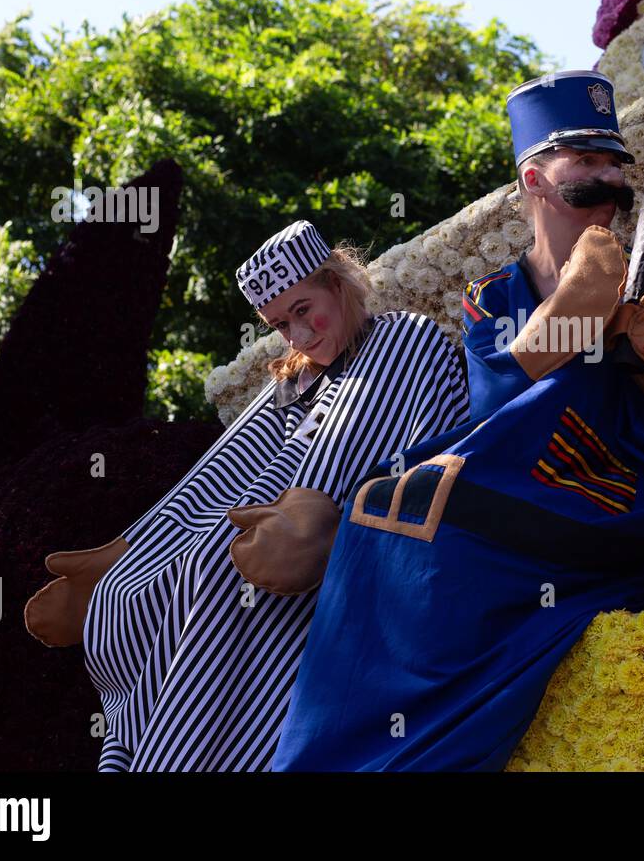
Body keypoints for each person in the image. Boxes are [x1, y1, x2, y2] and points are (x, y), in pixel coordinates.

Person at [272, 70, 644, 771]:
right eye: (584, 161)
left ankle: (427, 732)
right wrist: (577, 304)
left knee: (441, 513)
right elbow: (501, 401)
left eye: (615, 162)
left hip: (618, 498)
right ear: (536, 180)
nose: (608, 178)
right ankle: (341, 746)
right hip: (528, 477)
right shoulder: (494, 294)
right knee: (378, 503)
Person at [23, 220, 468, 770]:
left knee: (216, 575)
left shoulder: (405, 340)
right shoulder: (292, 380)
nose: (299, 336)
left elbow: (407, 449)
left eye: (304, 309)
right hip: (256, 534)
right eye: (280, 324)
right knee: (151, 583)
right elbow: (223, 472)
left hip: (334, 560)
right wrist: (139, 547)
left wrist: (317, 516)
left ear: (338, 281)